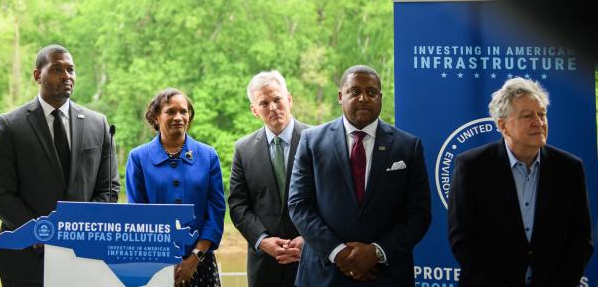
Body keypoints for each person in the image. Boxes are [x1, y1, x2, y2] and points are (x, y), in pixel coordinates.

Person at [0, 44, 119, 287]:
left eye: (71, 70)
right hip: (26, 260)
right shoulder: (9, 125)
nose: (66, 76)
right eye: (57, 69)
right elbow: (1, 194)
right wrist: (41, 232)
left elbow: (109, 189)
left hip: (84, 258)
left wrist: (77, 230)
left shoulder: (98, 124)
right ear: (38, 75)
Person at [288, 65, 430, 285]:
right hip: (324, 275)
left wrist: (376, 252)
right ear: (340, 96)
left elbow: (419, 214)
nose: (364, 98)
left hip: (387, 276)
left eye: (371, 92)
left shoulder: (408, 147)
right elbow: (299, 205)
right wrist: (339, 253)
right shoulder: (311, 141)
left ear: (381, 98)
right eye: (354, 91)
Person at [447, 78, 593, 286]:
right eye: (527, 116)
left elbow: (580, 240)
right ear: (503, 126)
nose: (539, 122)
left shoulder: (570, 169)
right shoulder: (472, 167)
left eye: (542, 114)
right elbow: (462, 240)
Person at [126, 88, 225, 287]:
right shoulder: (138, 158)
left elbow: (216, 212)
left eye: (183, 111)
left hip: (200, 263)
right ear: (156, 118)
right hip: (154, 264)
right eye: (170, 112)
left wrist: (194, 259)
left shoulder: (208, 156)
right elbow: (138, 215)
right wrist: (164, 260)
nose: (178, 117)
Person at [229, 71, 310, 287]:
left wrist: (309, 239)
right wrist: (262, 241)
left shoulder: (317, 140)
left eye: (277, 99)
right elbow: (238, 205)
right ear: (255, 110)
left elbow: (330, 199)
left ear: (289, 99)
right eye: (264, 103)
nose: (273, 107)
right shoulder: (243, 149)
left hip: (311, 260)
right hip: (264, 265)